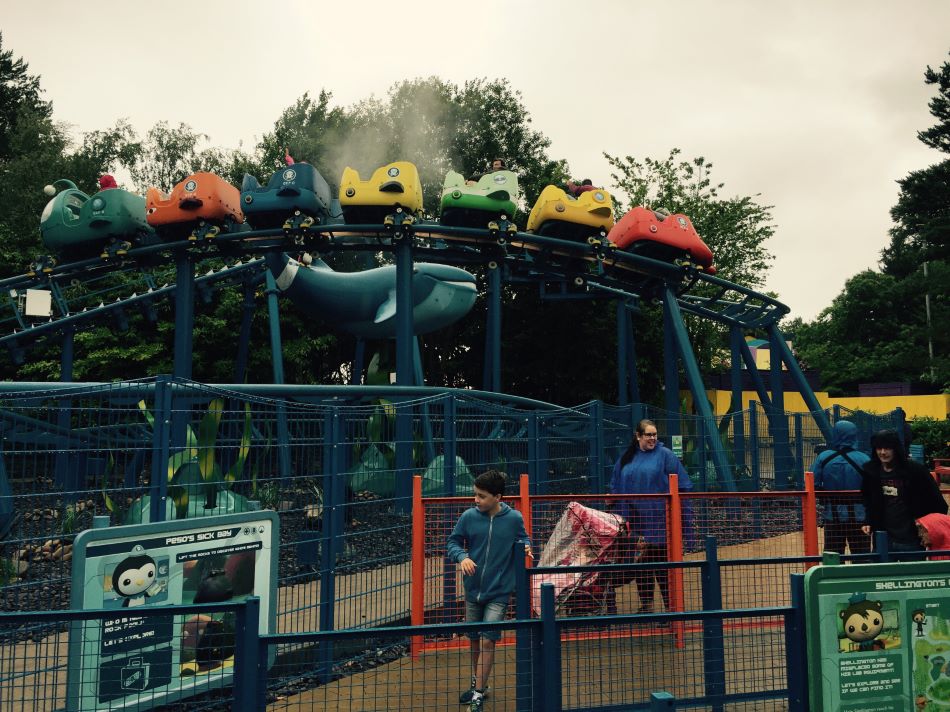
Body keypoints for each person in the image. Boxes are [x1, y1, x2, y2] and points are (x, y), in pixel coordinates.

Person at [446, 470, 531, 711]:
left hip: (499, 592)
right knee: (474, 640)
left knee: (487, 641)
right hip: (472, 590)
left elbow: (525, 539)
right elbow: (453, 541)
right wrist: (462, 556)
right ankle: (478, 685)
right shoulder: (468, 517)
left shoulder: (513, 518)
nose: (476, 500)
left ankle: (478, 694)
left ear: (498, 497)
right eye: (475, 495)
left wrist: (525, 548)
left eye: (481, 496)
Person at [609, 419, 693, 614]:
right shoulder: (626, 457)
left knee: (662, 569)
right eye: (648, 434)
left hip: (660, 524)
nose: (653, 438)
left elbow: (683, 485)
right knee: (642, 567)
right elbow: (615, 483)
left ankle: (670, 607)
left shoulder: (666, 456)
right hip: (635, 523)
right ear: (638, 436)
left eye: (655, 434)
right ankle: (646, 604)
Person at [860, 429, 947, 555]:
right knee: (883, 574)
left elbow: (938, 503)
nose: (883, 452)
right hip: (883, 538)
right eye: (879, 448)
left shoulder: (915, 471)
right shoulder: (871, 471)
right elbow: (868, 499)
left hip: (911, 538)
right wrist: (868, 520)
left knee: (913, 574)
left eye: (887, 448)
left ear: (896, 449)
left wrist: (928, 527)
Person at [811, 420, 871, 557]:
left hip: (832, 516)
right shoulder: (864, 459)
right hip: (859, 516)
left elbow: (812, 484)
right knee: (862, 556)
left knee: (833, 557)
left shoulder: (824, 457)